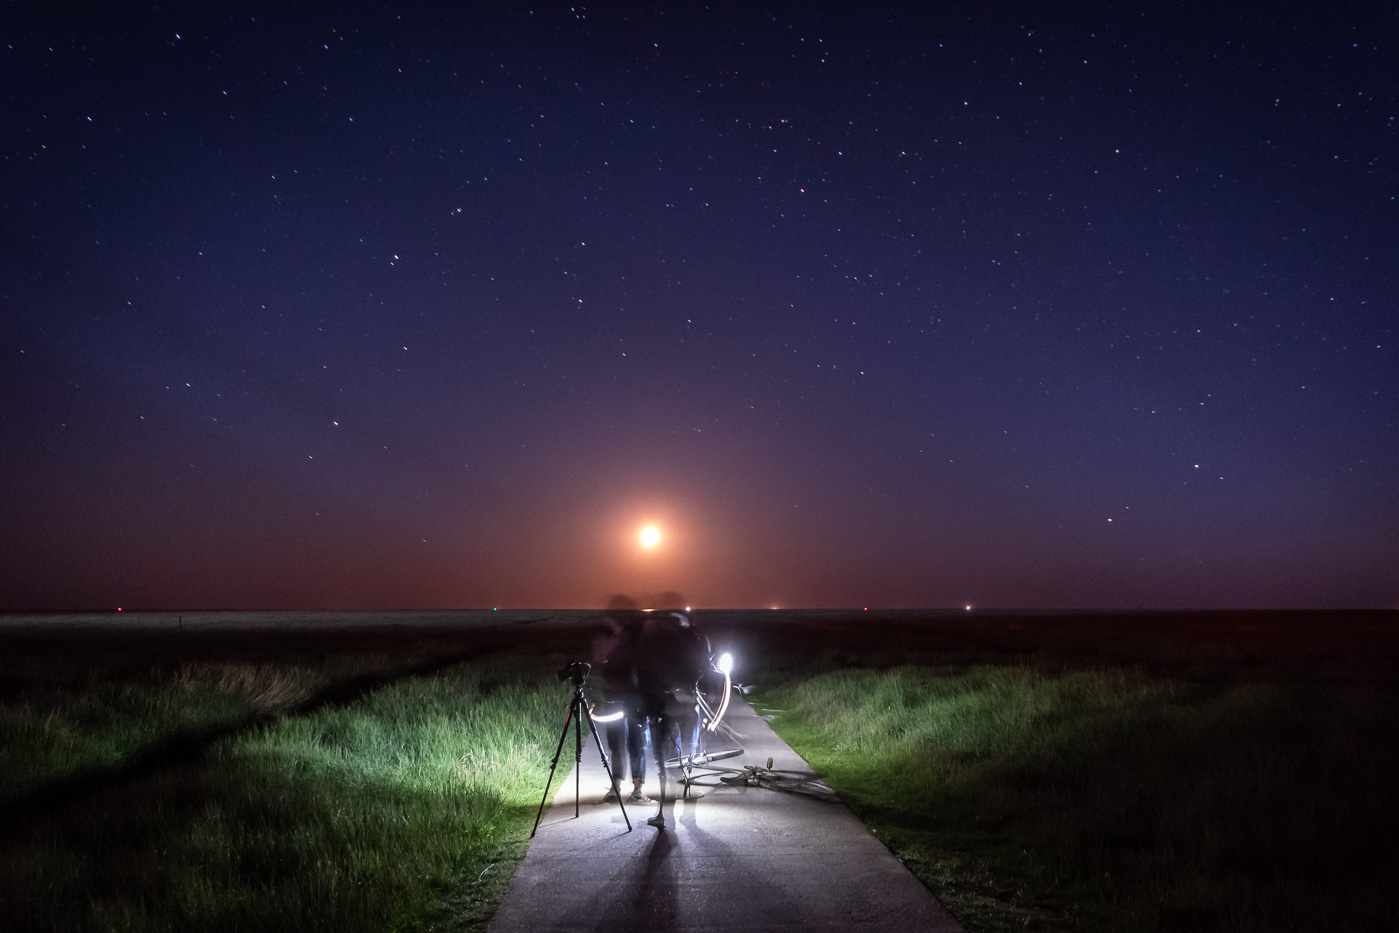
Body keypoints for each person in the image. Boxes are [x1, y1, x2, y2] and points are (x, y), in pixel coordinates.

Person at [592, 595, 650, 804]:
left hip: (633, 698)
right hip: (614, 696)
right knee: (617, 743)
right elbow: (599, 658)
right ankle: (617, 786)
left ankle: (637, 789)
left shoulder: (637, 634)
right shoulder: (607, 635)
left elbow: (642, 662)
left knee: (636, 743)